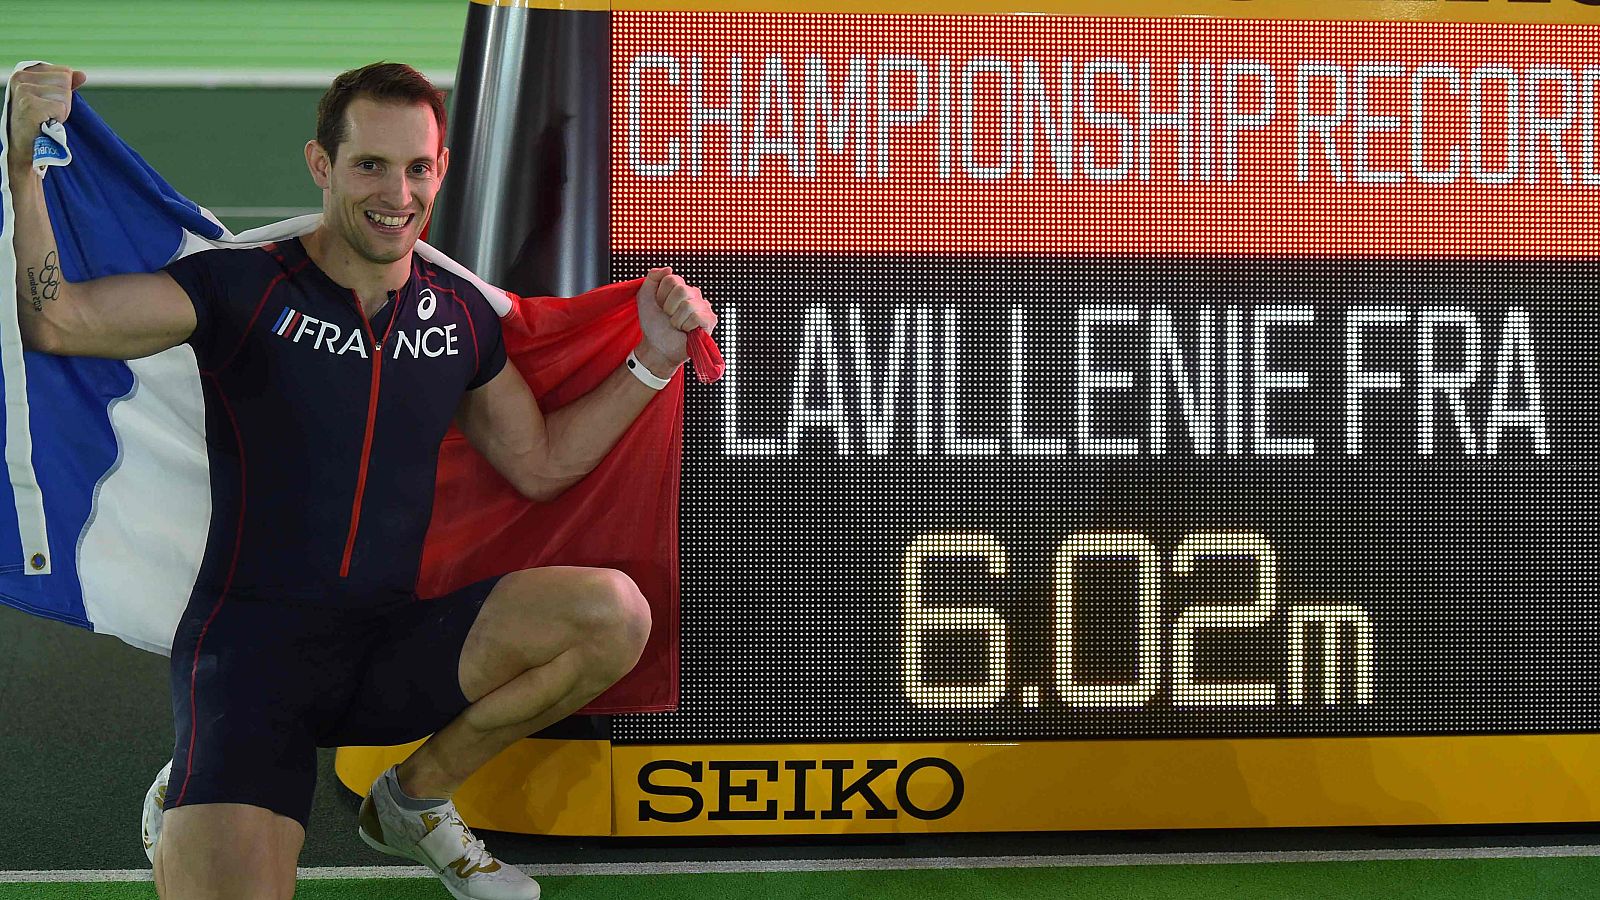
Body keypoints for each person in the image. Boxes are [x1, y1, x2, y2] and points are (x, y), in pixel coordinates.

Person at [6, 61, 716, 900]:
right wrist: (24, 167)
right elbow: (60, 321)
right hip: (252, 663)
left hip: (390, 650)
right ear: (322, 166)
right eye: (370, 165)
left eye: (417, 167)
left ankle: (414, 800)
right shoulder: (245, 286)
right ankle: (194, 782)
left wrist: (654, 359)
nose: (397, 191)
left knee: (613, 613)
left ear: (441, 171)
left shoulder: (455, 318)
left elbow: (541, 465)